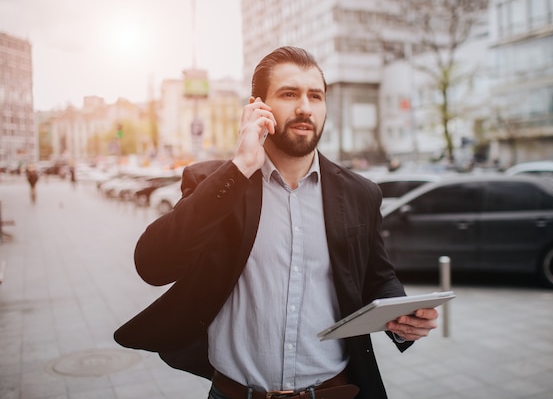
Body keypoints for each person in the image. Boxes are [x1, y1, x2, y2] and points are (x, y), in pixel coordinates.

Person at [114, 46, 439, 399]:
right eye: (289, 94)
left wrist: (403, 318)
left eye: (315, 96)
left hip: (334, 391)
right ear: (257, 106)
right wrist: (239, 167)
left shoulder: (361, 194)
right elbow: (153, 264)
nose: (305, 107)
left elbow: (378, 277)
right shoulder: (219, 183)